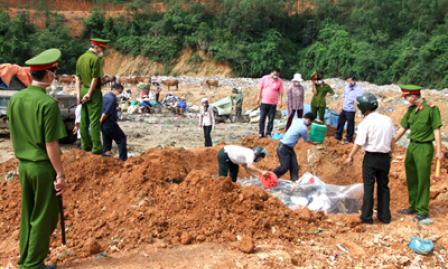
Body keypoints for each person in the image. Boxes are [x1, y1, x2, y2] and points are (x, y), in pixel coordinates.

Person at [8, 49, 67, 269]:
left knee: (28, 214)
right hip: (43, 167)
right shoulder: (48, 104)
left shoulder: (16, 98)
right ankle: (32, 264)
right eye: (55, 73)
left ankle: (26, 258)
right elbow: (51, 144)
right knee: (45, 216)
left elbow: (14, 135)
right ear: (50, 75)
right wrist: (60, 174)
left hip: (24, 165)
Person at [394, 85, 443, 221]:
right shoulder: (410, 110)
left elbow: (436, 130)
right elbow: (402, 129)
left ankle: (422, 209)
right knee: (412, 177)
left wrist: (439, 150)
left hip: (424, 147)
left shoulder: (431, 109)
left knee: (422, 178)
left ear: (413, 96)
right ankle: (413, 205)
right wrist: (392, 143)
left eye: (405, 97)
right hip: (412, 146)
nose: (405, 99)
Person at [345, 93, 395, 224]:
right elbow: (392, 138)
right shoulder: (387, 120)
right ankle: (385, 216)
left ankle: (367, 217)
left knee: (369, 187)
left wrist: (350, 156)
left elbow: (359, 142)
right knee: (384, 186)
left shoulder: (366, 122)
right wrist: (391, 152)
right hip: (384, 157)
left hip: (371, 157)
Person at [75, 38, 110, 156]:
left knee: (83, 120)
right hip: (93, 91)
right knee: (95, 121)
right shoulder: (95, 59)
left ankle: (85, 145)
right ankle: (97, 148)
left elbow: (78, 78)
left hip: (83, 88)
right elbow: (95, 78)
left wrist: (79, 95)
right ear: (96, 47)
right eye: (102, 49)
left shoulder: (80, 58)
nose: (102, 52)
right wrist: (89, 94)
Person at [273, 113, 318, 181]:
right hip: (283, 148)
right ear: (308, 120)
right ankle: (270, 176)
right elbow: (307, 140)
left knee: (294, 166)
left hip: (289, 148)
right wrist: (313, 143)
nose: (310, 124)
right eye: (310, 122)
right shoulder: (303, 128)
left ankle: (294, 181)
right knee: (284, 168)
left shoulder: (297, 120)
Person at [100, 83, 128, 161]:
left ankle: (106, 158)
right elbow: (107, 112)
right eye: (119, 92)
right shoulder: (111, 99)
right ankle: (123, 159)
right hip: (109, 122)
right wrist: (101, 120)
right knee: (121, 139)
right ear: (113, 89)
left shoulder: (104, 97)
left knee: (107, 141)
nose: (120, 94)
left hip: (104, 124)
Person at [334, 74, 364, 145]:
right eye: (348, 81)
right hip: (344, 108)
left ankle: (349, 139)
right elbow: (343, 97)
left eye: (350, 81)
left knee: (350, 125)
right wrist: (340, 107)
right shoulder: (347, 88)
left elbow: (361, 99)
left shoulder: (358, 90)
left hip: (351, 109)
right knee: (340, 122)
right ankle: (338, 136)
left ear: (354, 81)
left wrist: (358, 105)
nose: (349, 83)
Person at [256, 68, 284, 139]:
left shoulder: (279, 81)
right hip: (264, 102)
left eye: (277, 75)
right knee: (262, 118)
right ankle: (261, 133)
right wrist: (258, 97)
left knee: (271, 119)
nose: (276, 76)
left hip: (273, 103)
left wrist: (280, 101)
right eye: (274, 75)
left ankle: (268, 133)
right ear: (271, 73)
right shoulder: (264, 78)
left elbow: (281, 92)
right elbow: (260, 88)